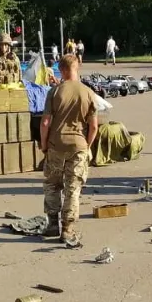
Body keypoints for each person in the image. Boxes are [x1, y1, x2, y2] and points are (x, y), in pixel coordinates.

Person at [40, 55, 99, 243]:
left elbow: (46, 122)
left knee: (52, 185)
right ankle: (68, 229)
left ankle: (51, 225)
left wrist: (44, 144)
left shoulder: (55, 92)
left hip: (56, 145)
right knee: (73, 189)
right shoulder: (88, 93)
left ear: (62, 70)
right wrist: (87, 145)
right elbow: (94, 126)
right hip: (78, 146)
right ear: (77, 67)